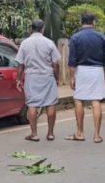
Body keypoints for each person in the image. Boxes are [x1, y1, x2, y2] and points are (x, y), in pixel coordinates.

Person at [16, 19, 61, 142]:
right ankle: (50, 133)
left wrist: (18, 79)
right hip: (47, 76)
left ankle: (34, 134)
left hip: (32, 77)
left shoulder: (24, 44)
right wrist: (57, 78)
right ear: (43, 29)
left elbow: (20, 64)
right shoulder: (49, 43)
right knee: (51, 103)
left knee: (32, 104)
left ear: (31, 29)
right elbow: (56, 63)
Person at [66, 12, 105, 143]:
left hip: (81, 70)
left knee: (78, 100)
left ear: (80, 22)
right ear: (93, 22)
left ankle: (80, 133)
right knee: (96, 101)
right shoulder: (101, 37)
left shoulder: (75, 38)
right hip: (97, 70)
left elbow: (72, 61)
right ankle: (97, 135)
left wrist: (71, 78)